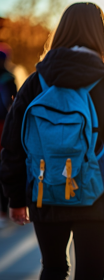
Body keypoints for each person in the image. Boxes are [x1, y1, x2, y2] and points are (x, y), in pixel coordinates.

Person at [0, 3, 104, 280]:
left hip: (47, 192)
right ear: (102, 34)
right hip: (100, 197)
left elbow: (12, 143)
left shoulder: (36, 82)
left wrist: (16, 197)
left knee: (53, 269)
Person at [0, 43, 17, 229]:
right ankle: (6, 207)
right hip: (4, 125)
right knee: (5, 163)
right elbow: (15, 104)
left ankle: (3, 210)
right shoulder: (9, 77)